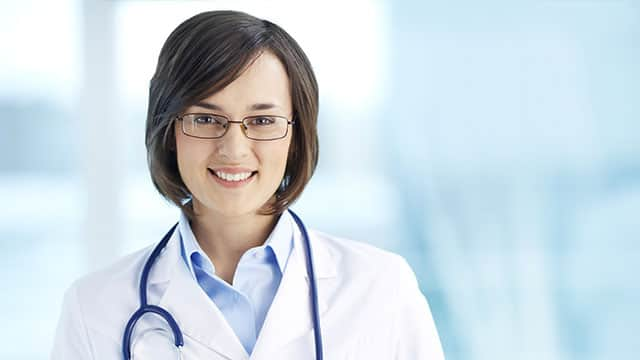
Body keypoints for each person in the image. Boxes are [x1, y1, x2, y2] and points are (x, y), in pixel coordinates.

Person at [51, 10, 444, 360]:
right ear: (169, 132)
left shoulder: (381, 287)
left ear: (296, 136)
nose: (233, 149)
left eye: (262, 121)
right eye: (206, 119)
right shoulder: (95, 310)